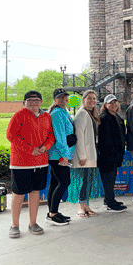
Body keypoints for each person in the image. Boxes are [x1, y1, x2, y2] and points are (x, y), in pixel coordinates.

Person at [7, 91, 55, 238]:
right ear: (24, 102)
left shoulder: (46, 116)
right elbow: (11, 135)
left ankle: (32, 223)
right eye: (30, 100)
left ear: (41, 102)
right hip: (21, 163)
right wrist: (30, 149)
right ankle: (15, 225)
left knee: (35, 193)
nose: (33, 103)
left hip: (40, 162)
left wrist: (45, 147)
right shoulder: (19, 115)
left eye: (36, 100)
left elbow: (51, 137)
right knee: (19, 194)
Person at [68, 90, 101, 218]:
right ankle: (81, 207)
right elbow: (79, 136)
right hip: (84, 156)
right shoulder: (82, 114)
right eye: (89, 98)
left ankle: (86, 205)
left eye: (94, 98)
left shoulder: (90, 113)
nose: (92, 100)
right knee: (84, 181)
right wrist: (82, 156)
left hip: (91, 154)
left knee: (89, 181)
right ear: (84, 99)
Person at [46, 88, 74, 226]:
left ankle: (52, 212)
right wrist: (65, 155)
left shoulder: (63, 112)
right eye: (60, 97)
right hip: (58, 154)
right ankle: (52, 213)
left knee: (54, 183)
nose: (64, 99)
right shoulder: (57, 113)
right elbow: (60, 136)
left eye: (65, 97)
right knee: (64, 182)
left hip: (58, 154)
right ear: (55, 99)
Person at [98, 94, 127, 212]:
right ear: (105, 105)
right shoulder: (104, 117)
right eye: (110, 103)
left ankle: (109, 199)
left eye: (115, 102)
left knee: (112, 178)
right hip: (107, 156)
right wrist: (111, 152)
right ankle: (110, 203)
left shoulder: (117, 117)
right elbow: (104, 139)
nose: (113, 104)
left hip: (116, 155)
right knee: (108, 179)